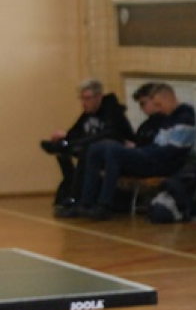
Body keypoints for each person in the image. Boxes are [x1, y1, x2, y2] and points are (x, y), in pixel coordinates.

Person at [75, 83, 196, 220]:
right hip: (152, 155)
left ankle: (105, 205)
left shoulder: (184, 117)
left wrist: (141, 152)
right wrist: (140, 150)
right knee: (96, 148)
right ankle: (86, 202)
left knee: (112, 149)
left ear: (168, 99)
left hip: (163, 162)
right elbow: (157, 145)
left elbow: (170, 152)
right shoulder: (167, 118)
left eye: (159, 104)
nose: (158, 109)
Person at [42, 78, 135, 215]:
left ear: (99, 96)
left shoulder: (112, 111)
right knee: (63, 150)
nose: (84, 103)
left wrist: (75, 143)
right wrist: (64, 139)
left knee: (87, 151)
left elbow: (110, 133)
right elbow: (75, 132)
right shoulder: (87, 114)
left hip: (116, 154)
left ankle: (80, 199)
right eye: (82, 98)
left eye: (87, 98)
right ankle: (70, 192)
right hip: (94, 151)